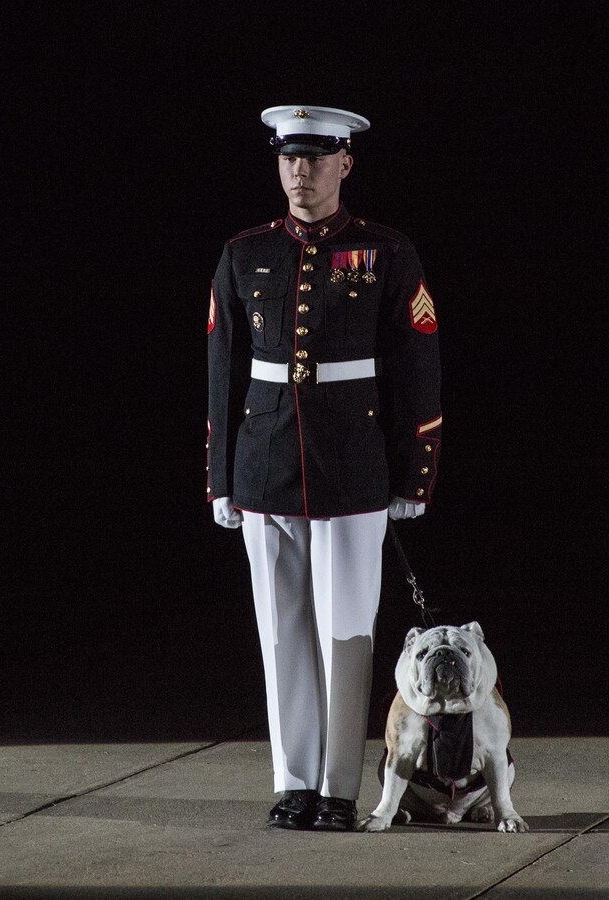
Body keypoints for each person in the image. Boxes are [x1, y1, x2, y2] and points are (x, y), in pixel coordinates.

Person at [206, 105, 442, 831]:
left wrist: (414, 474)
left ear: (345, 163)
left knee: (347, 630)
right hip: (266, 458)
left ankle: (338, 789)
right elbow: (224, 370)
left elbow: (416, 366)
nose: (299, 174)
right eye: (288, 160)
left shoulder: (385, 251)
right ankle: (294, 781)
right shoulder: (245, 252)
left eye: (314, 159)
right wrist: (220, 476)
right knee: (279, 633)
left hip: (352, 462)